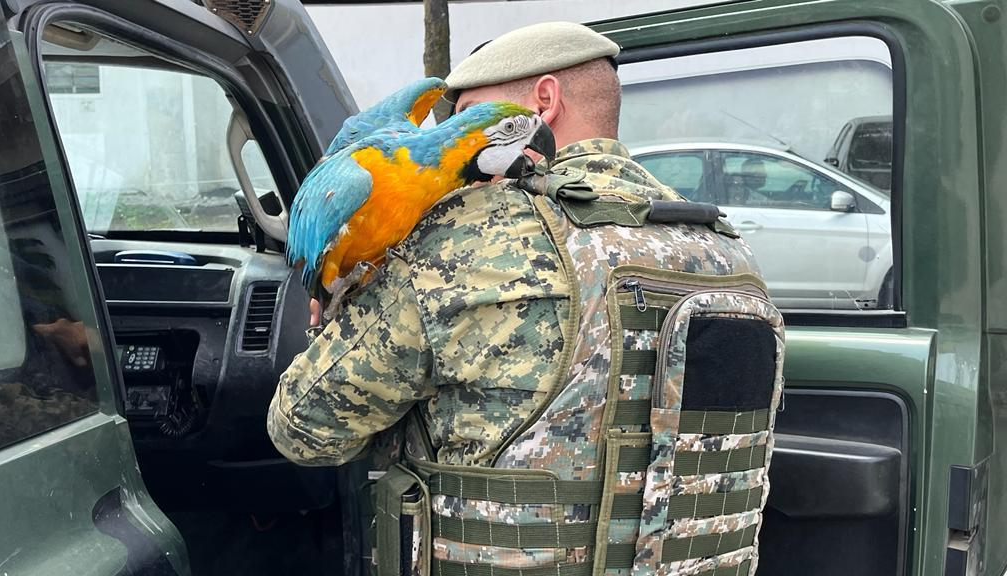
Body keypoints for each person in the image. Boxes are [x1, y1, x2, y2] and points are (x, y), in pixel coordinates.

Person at [269, 21, 771, 575]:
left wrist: (335, 323)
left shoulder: (467, 237)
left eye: (468, 113)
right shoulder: (725, 248)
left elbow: (303, 430)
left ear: (545, 103)